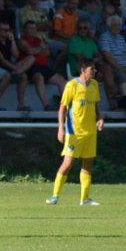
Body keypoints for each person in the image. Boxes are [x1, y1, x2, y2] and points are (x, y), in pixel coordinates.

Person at [47, 59, 104, 206]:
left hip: (90, 132)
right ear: (83, 70)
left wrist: (100, 118)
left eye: (95, 69)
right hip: (74, 132)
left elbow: (96, 105)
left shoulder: (94, 84)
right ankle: (54, 196)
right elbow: (62, 109)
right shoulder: (71, 85)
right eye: (92, 69)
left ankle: (84, 199)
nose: (95, 71)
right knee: (68, 163)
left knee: (88, 165)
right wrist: (61, 128)